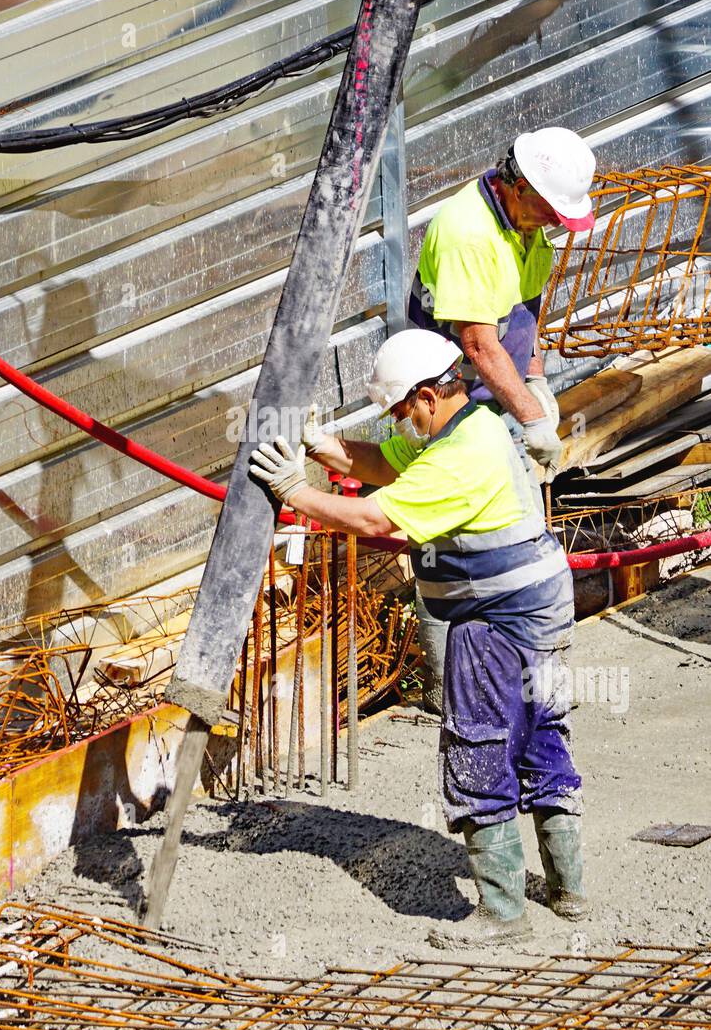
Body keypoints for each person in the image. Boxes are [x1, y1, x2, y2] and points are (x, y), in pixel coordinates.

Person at [249, 329, 586, 947]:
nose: (399, 424)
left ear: (428, 397)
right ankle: (569, 892)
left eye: (402, 411)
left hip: (497, 619)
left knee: (478, 744)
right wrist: (323, 447)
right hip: (533, 610)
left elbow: (379, 516)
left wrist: (295, 494)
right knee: (540, 737)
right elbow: (383, 464)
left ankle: (503, 914)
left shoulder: (459, 459)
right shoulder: (473, 425)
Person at [406, 125, 597, 705]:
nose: (559, 223)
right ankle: (449, 689)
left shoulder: (529, 227)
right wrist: (532, 416)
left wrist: (535, 379)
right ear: (520, 187)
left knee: (514, 533)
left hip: (498, 389)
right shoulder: (469, 232)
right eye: (552, 209)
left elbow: (524, 314)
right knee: (449, 538)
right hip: (448, 395)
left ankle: (520, 671)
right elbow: (479, 343)